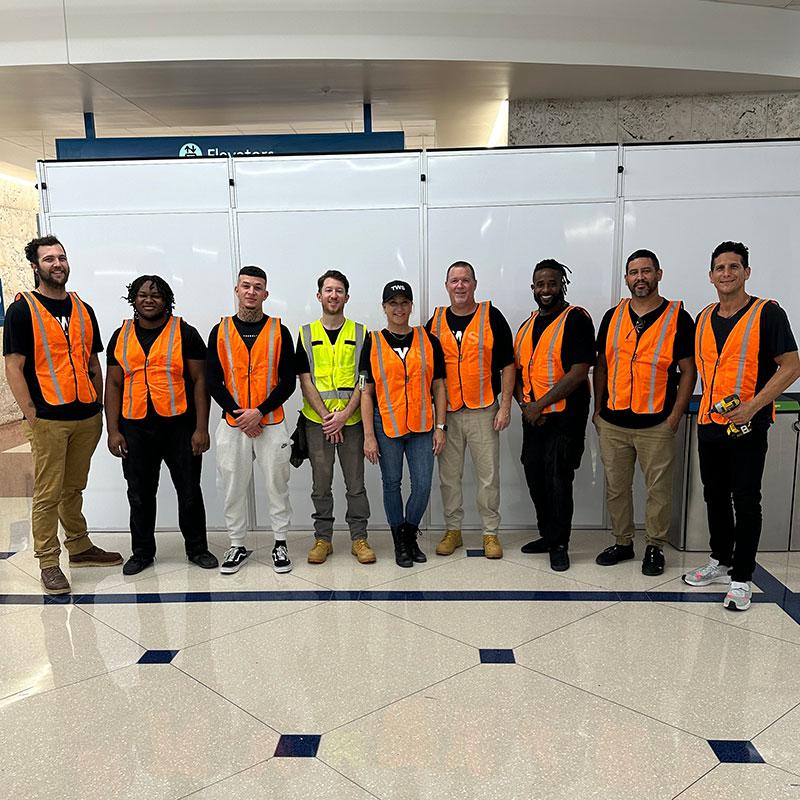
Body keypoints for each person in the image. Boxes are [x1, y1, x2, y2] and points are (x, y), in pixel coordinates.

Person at [683, 241, 800, 611]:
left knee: (746, 500)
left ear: (746, 272)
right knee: (714, 496)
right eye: (720, 267)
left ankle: (742, 578)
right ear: (711, 275)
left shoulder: (767, 314)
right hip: (709, 424)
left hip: (748, 426)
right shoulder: (703, 317)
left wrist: (753, 406)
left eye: (734, 267)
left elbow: (792, 365)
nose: (727, 273)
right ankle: (721, 560)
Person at [3, 236, 122, 595]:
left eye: (62, 258)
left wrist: (98, 404)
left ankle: (80, 546)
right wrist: (31, 415)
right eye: (49, 259)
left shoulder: (83, 308)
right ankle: (49, 562)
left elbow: (91, 360)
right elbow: (14, 366)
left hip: (86, 416)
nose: (58, 264)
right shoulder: (22, 310)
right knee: (47, 492)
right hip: (48, 420)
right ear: (36, 266)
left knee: (74, 487)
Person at [105, 275, 217, 575]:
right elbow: (114, 384)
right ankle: (142, 552)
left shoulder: (186, 333)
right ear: (134, 299)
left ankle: (197, 549)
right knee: (139, 493)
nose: (149, 299)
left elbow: (200, 381)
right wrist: (113, 430)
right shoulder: (121, 335)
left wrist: (201, 428)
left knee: (190, 491)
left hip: (180, 426)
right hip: (135, 427)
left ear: (166, 299)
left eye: (155, 295)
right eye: (142, 295)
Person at [593, 249, 696, 576]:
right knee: (616, 487)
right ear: (626, 278)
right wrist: (597, 410)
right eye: (634, 272)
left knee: (658, 489)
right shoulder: (612, 317)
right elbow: (601, 366)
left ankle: (654, 546)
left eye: (646, 271)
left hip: (656, 422)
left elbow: (688, 370)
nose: (640, 278)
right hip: (613, 422)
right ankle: (623, 542)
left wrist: (676, 414)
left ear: (658, 274)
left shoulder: (678, 317)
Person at [206, 266, 296, 574]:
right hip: (232, 424)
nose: (251, 292)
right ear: (237, 290)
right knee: (232, 485)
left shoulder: (280, 331)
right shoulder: (219, 331)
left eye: (258, 287)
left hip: (271, 422)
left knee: (277, 483)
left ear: (265, 294)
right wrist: (239, 415)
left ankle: (280, 542)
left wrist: (258, 412)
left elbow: (288, 382)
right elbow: (213, 380)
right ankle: (237, 544)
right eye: (246, 286)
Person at [426, 260, 515, 559]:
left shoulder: (492, 316)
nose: (460, 286)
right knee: (449, 477)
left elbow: (508, 364)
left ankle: (490, 533)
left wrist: (505, 407)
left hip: (484, 411)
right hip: (447, 414)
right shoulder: (434, 322)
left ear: (474, 284)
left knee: (488, 477)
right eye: (454, 280)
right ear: (446, 286)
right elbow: (427, 370)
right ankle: (453, 530)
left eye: (465, 280)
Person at [359, 280, 447, 567]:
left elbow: (439, 387)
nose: (399, 308)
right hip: (386, 426)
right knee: (391, 483)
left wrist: (441, 427)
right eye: (393, 303)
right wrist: (369, 436)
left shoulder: (428, 340)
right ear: (384, 307)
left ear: (411, 306)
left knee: (422, 485)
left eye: (404, 302)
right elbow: (366, 391)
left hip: (422, 427)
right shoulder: (372, 342)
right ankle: (400, 541)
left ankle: (409, 533)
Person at [516, 259, 595, 572]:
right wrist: (526, 408)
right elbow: (518, 371)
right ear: (533, 288)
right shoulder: (527, 324)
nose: (545, 290)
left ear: (562, 284)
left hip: (565, 418)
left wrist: (539, 405)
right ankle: (547, 535)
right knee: (535, 477)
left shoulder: (576, 319)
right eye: (540, 284)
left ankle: (560, 543)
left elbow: (578, 372)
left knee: (559, 480)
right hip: (534, 419)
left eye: (552, 283)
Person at [296, 270, 372, 564]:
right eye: (328, 290)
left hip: (352, 423)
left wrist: (344, 416)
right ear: (319, 296)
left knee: (356, 484)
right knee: (321, 484)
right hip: (318, 423)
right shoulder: (305, 334)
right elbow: (305, 380)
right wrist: (329, 417)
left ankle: (359, 539)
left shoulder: (361, 333)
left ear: (347, 297)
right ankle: (322, 539)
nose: (333, 295)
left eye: (339, 291)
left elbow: (364, 380)